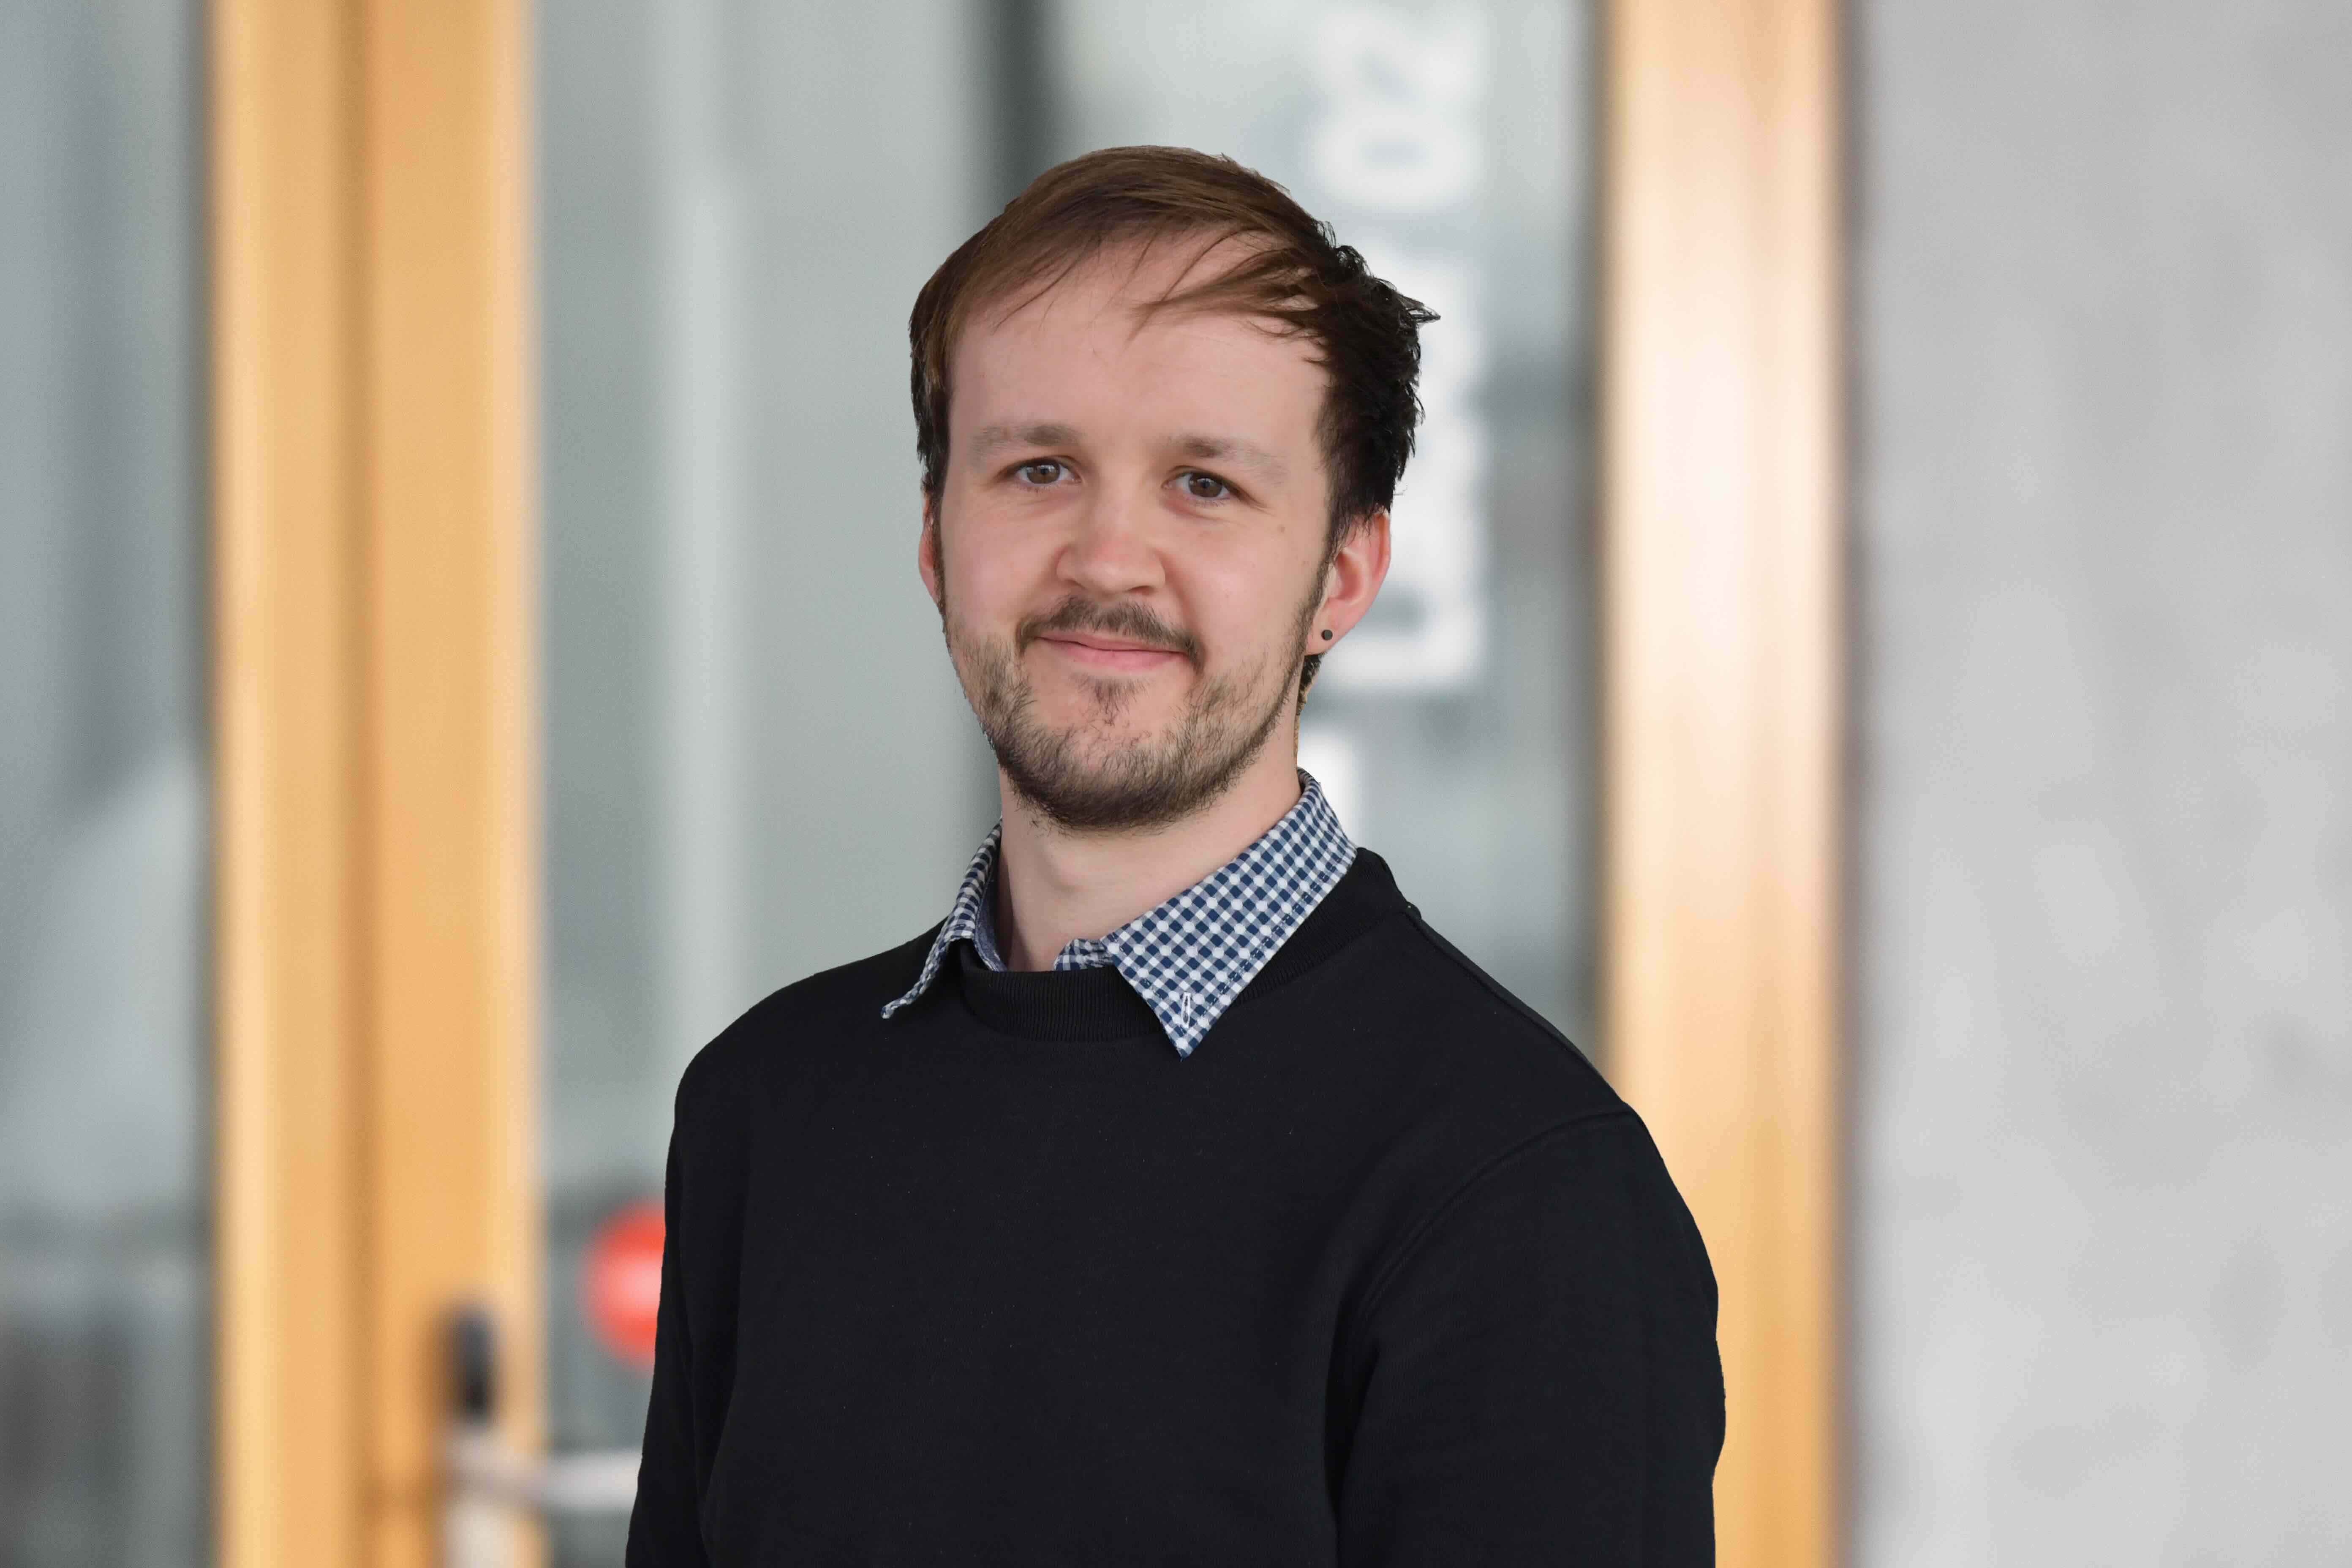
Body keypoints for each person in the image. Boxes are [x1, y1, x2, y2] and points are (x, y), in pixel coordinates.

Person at [626, 146, 1722, 1566]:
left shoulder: (1518, 1194)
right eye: (1038, 469)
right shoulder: (765, 1110)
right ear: (934, 539)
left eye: (1204, 486)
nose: (1107, 561)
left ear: (1342, 574)